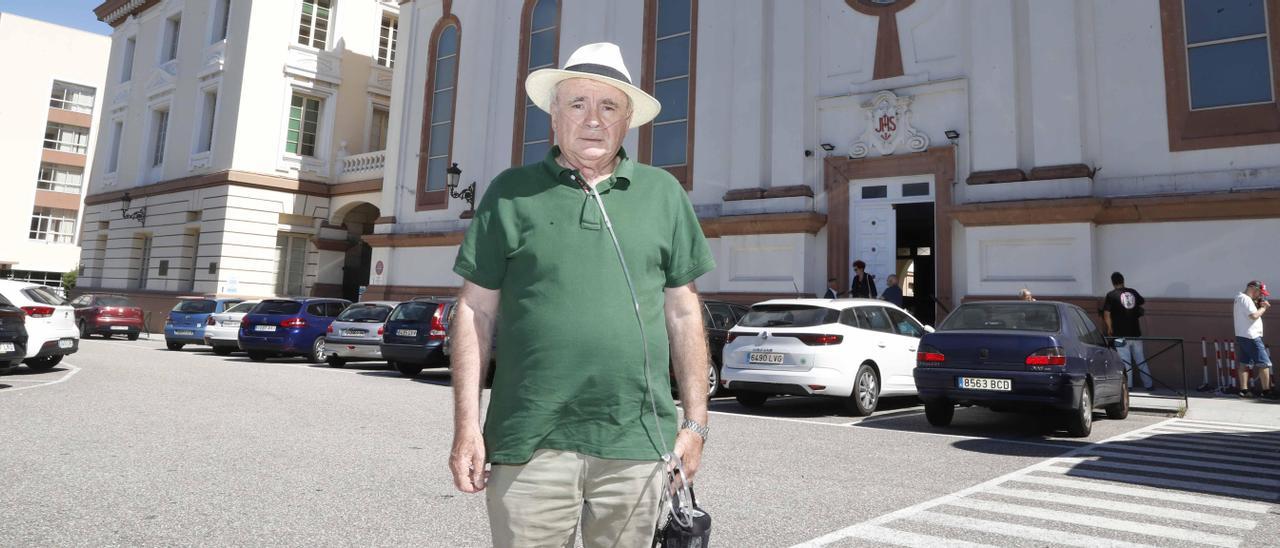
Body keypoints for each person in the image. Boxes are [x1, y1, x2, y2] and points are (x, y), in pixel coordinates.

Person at [447, 43, 716, 546]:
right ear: (554, 116)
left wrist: (696, 426)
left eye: (609, 106)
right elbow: (474, 310)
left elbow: (683, 314)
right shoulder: (509, 192)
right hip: (528, 442)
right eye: (577, 104)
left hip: (637, 446)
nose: (593, 120)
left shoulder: (664, 194)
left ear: (628, 119)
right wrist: (467, 426)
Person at [1103, 272, 1150, 390]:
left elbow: (1106, 314)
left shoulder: (1111, 295)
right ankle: (1149, 385)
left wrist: (1109, 328)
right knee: (1141, 360)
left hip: (1119, 335)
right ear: (1123, 280)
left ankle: (1128, 387)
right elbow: (1141, 302)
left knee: (1125, 362)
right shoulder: (1133, 292)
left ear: (1112, 282)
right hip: (1135, 332)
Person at [1234, 280, 1273, 398]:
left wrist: (1256, 303)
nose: (1260, 295)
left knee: (1244, 363)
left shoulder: (1239, 297)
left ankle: (1244, 390)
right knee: (1264, 364)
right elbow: (1253, 316)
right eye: (1259, 292)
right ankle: (1266, 392)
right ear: (1252, 288)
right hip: (1252, 336)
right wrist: (1264, 308)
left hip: (1242, 335)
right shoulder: (1245, 299)